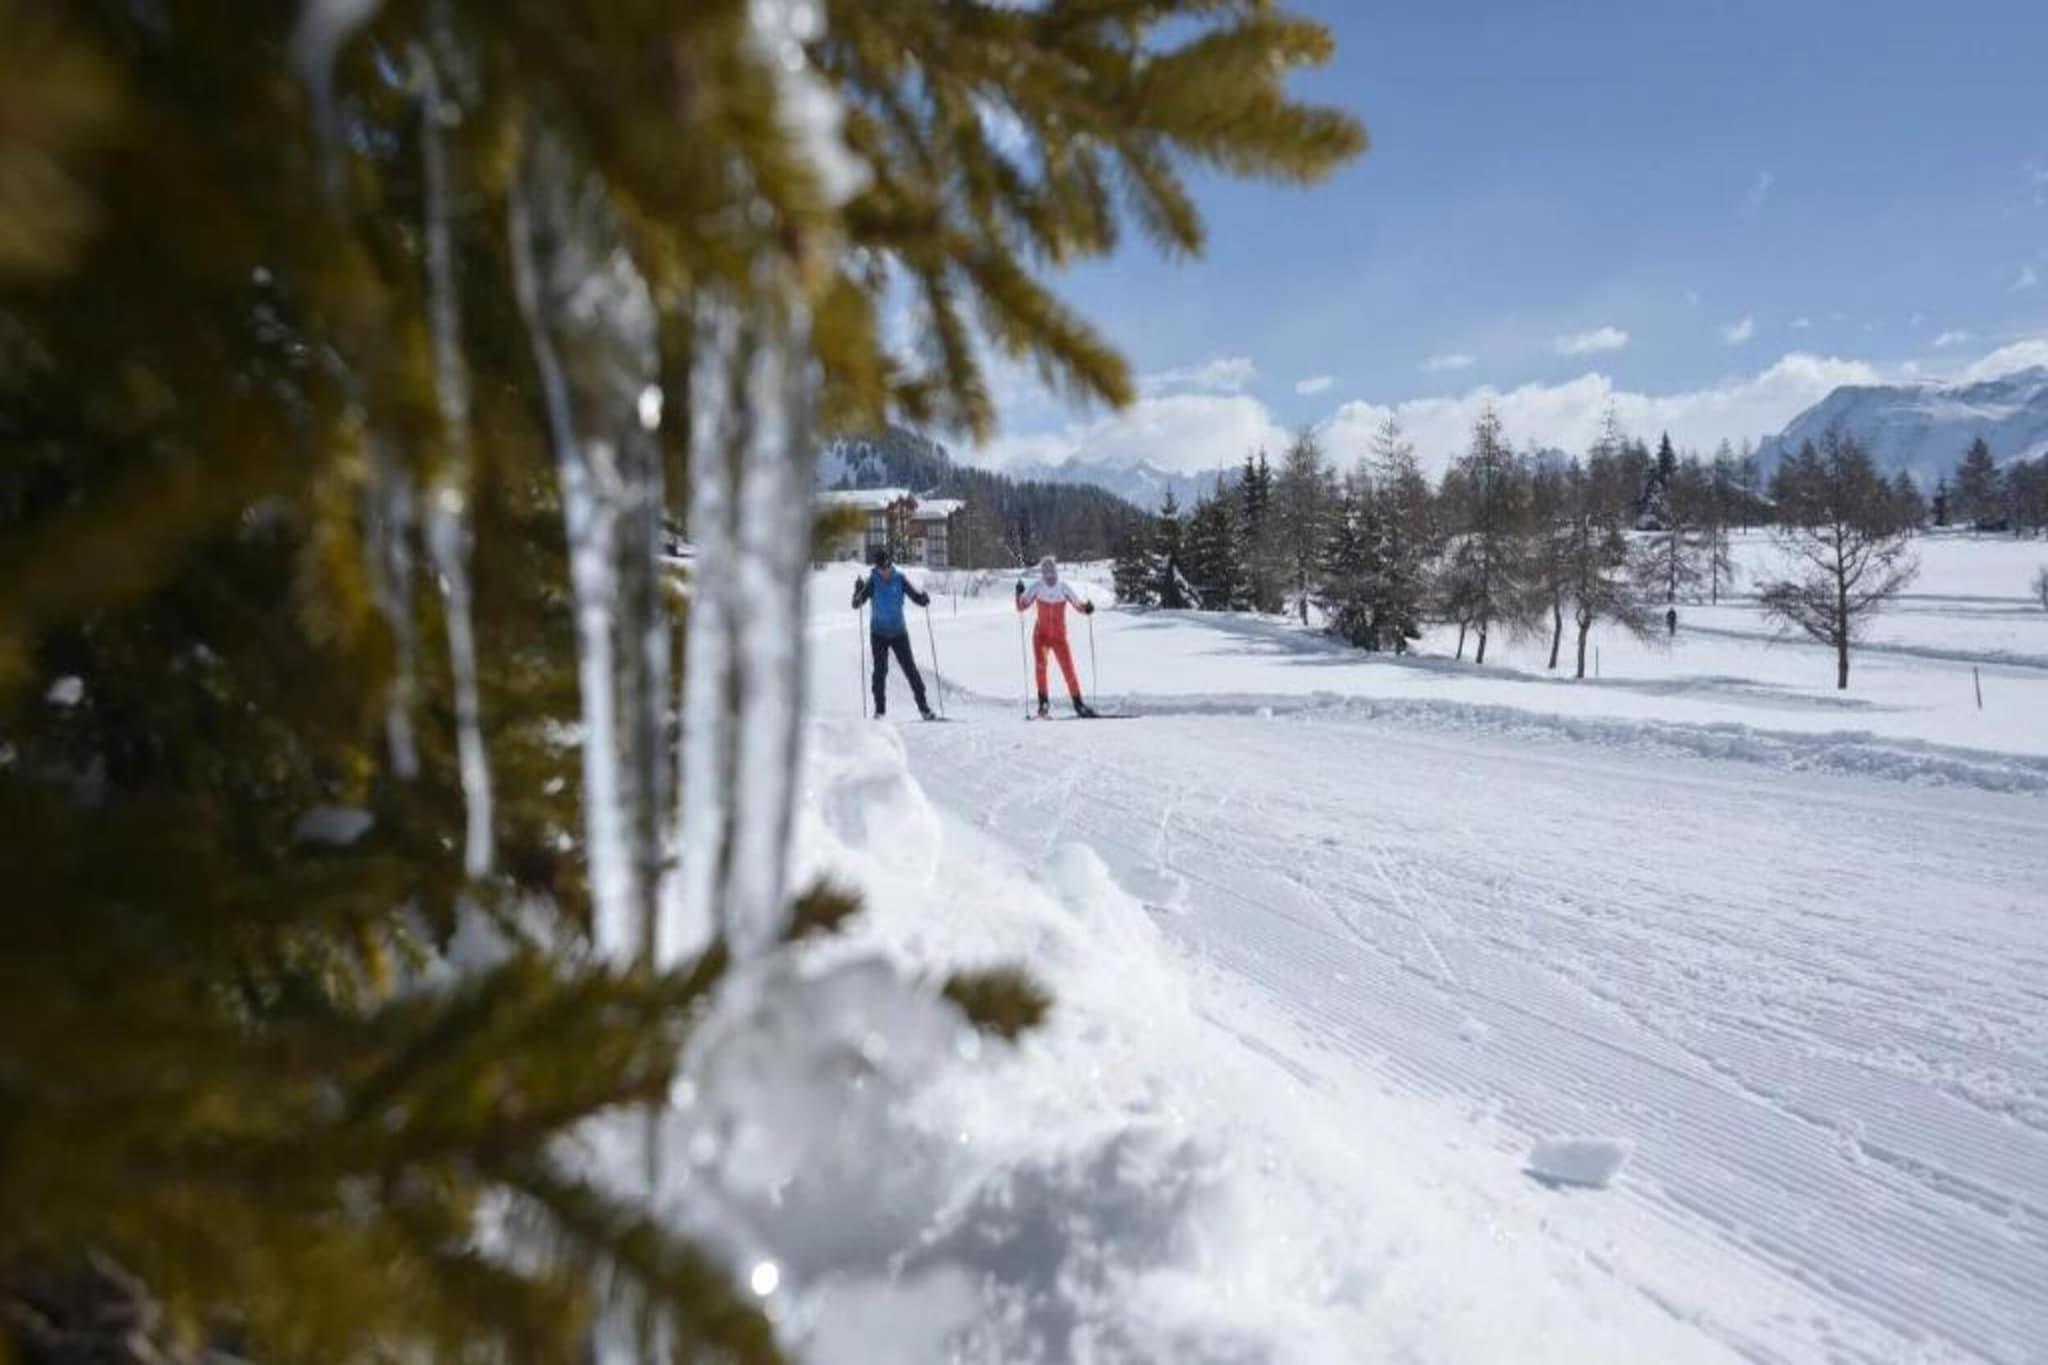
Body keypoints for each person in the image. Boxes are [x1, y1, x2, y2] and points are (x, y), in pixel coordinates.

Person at [852, 547, 935, 720]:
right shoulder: (872, 582)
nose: (886, 570)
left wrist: (923, 599)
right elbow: (856, 604)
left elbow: (915, 596)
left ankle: (924, 709)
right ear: (877, 568)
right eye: (882, 568)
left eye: (888, 566)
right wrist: (857, 591)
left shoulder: (900, 578)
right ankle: (880, 712)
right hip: (878, 634)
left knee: (910, 670)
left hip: (899, 632)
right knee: (880, 672)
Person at [1016, 555, 1097, 718]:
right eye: (1046, 574)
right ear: (1042, 573)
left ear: (1056, 572)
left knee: (1068, 670)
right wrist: (1019, 594)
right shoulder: (1037, 587)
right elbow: (1021, 606)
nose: (1050, 577)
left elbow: (1079, 605)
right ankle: (1043, 704)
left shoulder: (1063, 588)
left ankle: (1079, 704)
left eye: (1052, 573)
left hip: (1059, 638)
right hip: (1041, 636)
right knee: (1041, 667)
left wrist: (1087, 608)